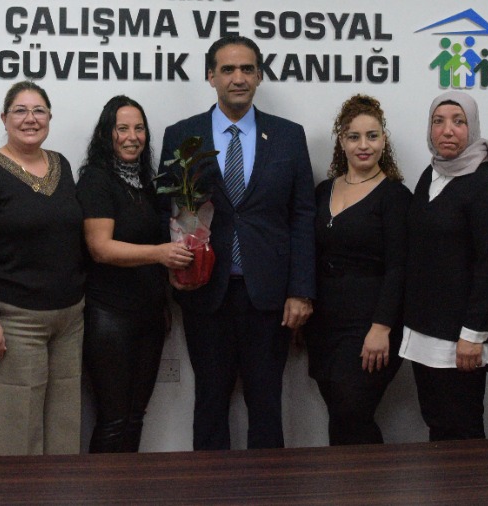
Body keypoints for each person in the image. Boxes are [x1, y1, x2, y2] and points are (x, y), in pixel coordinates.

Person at [158, 36, 316, 450]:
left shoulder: (288, 136)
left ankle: (267, 484)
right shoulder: (183, 135)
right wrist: (173, 268)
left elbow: (302, 216)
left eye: (247, 69)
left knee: (266, 404)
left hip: (268, 297)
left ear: (260, 76)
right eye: (227, 69)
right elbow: (166, 209)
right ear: (211, 76)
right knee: (210, 402)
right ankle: (211, 485)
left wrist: (301, 290)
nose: (238, 78)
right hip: (205, 292)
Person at [0, 81, 85, 455]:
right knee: (12, 436)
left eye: (39, 110)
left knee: (64, 430)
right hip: (13, 321)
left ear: (49, 117)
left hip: (69, 320)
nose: (31, 119)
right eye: (20, 111)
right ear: (4, 118)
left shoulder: (61, 164)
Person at [80, 96, 192, 453]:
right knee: (113, 420)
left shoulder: (147, 183)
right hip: (109, 316)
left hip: (149, 314)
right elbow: (101, 248)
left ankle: (127, 484)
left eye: (139, 128)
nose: (132, 137)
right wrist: (160, 254)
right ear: (107, 134)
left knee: (135, 417)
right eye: (122, 128)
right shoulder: (97, 180)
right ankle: (103, 486)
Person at [401, 92, 488, 441]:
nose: (447, 130)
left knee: (462, 428)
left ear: (472, 127)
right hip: (426, 330)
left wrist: (473, 334)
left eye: (458, 122)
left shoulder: (487, 183)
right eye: (439, 121)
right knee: (437, 421)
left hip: (462, 337)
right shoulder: (430, 174)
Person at [308, 94, 411, 445]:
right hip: (324, 323)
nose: (363, 145)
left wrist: (381, 328)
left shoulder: (395, 196)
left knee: (353, 411)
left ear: (384, 140)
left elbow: (399, 268)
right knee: (339, 414)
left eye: (372, 136)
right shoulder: (323, 191)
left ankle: (370, 478)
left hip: (370, 323)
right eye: (354, 137)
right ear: (342, 141)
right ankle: (346, 479)